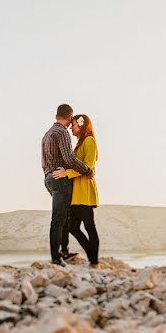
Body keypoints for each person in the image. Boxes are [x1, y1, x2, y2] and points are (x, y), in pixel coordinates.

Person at [41, 104, 93, 266]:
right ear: (70, 117)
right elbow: (69, 159)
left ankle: (63, 251)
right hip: (60, 179)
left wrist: (49, 176)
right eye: (72, 120)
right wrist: (87, 170)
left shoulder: (47, 134)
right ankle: (56, 257)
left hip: (49, 178)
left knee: (64, 217)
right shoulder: (61, 132)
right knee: (59, 219)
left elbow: (43, 162)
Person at [52, 114, 99, 267]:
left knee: (89, 226)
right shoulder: (79, 143)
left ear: (82, 125)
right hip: (76, 192)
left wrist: (68, 173)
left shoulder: (89, 141)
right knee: (73, 227)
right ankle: (92, 257)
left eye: (74, 125)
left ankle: (94, 261)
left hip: (84, 191)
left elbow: (87, 166)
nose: (71, 127)